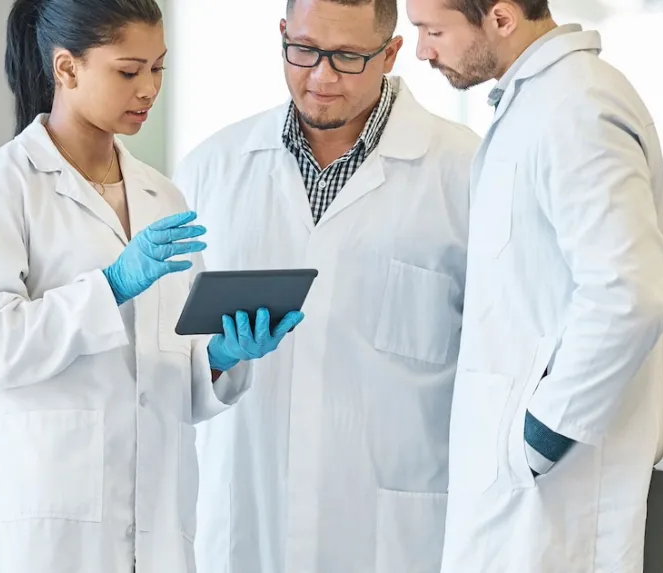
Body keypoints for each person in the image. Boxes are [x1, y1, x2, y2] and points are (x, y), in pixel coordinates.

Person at [0, 0, 304, 572]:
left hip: (155, 518)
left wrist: (217, 356)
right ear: (67, 69)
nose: (148, 89)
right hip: (47, 518)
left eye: (158, 68)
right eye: (128, 71)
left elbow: (161, 373)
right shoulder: (3, 186)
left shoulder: (162, 196)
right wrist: (109, 286)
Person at [171, 0, 480, 571]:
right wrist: (215, 361)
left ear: (390, 54)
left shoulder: (463, 172)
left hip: (396, 535)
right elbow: (168, 364)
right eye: (305, 50)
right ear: (283, 34)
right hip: (245, 522)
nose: (321, 76)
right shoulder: (210, 171)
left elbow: (494, 366)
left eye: (346, 57)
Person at [404, 0, 663, 571]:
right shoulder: (537, 102)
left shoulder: (578, 107)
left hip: (558, 493)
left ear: (500, 18)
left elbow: (631, 294)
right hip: (522, 491)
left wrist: (542, 436)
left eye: (433, 30)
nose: (423, 50)